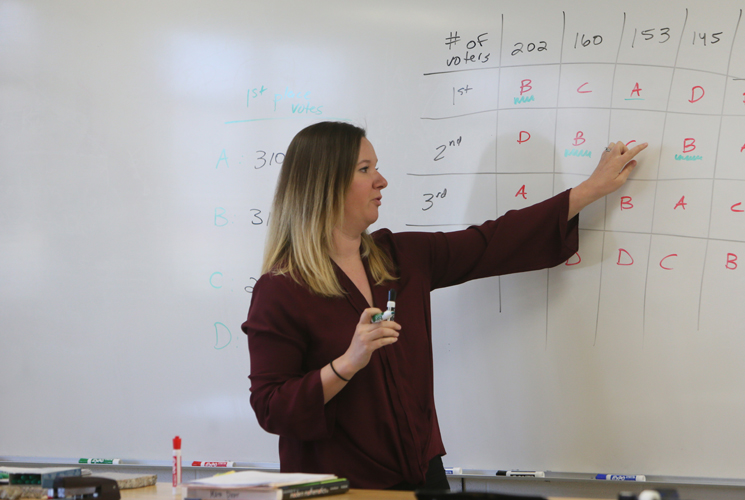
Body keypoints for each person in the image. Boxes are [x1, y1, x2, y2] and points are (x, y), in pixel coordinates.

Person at [242, 121, 646, 490]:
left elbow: (493, 242)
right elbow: (272, 408)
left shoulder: (401, 257)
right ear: (325, 183)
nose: (381, 180)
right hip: (342, 487)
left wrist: (590, 190)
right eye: (365, 170)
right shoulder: (282, 289)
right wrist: (348, 362)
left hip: (422, 475)